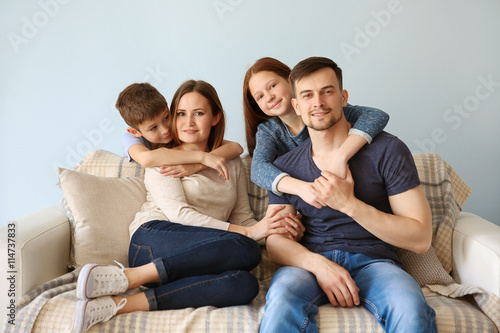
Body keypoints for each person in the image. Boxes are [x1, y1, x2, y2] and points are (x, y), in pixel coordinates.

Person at [72, 80, 304, 333]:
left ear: (215, 117)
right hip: (152, 241)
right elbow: (179, 215)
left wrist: (275, 227)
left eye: (199, 113)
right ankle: (129, 277)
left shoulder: (231, 161)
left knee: (244, 284)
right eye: (181, 113)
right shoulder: (165, 157)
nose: (188, 122)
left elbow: (243, 219)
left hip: (199, 258)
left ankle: (120, 303)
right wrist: (250, 233)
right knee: (246, 248)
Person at [259, 57, 437, 333]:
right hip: (309, 264)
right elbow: (275, 243)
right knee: (281, 300)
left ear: (343, 98)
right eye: (307, 95)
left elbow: (420, 238)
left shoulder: (388, 150)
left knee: (410, 308)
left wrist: (349, 204)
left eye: (327, 91)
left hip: (376, 262)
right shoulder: (286, 167)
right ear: (297, 105)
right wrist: (319, 265)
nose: (317, 102)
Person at [243, 57, 390, 208]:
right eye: (260, 96)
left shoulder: (326, 110)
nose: (269, 97)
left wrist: (341, 156)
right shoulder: (269, 131)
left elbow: (377, 115)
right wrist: (304, 189)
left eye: (272, 86)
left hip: (352, 182)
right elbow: (258, 169)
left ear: (291, 80)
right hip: (309, 200)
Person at [117, 82, 243, 179]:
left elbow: (235, 147)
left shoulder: (181, 135)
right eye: (154, 128)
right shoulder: (132, 138)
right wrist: (203, 157)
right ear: (135, 131)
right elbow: (147, 159)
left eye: (166, 117)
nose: (166, 130)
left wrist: (198, 166)